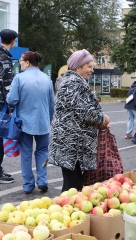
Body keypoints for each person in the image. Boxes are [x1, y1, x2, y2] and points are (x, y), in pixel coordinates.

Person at [48, 49, 110, 192]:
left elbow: (80, 109)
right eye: (89, 66)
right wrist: (103, 118)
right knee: (73, 187)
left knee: (73, 185)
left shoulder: (73, 81)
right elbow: (84, 112)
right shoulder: (73, 83)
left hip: (72, 144)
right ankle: (65, 211)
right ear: (78, 67)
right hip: (72, 145)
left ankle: (66, 210)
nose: (92, 70)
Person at [6, 51, 55, 194]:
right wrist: (49, 118)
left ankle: (28, 184)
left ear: (27, 62)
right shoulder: (47, 79)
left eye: (21, 61)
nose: (19, 63)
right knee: (43, 152)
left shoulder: (19, 78)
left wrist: (8, 96)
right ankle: (42, 180)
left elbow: (12, 99)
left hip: (25, 123)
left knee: (26, 154)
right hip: (44, 123)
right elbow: (52, 104)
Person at [0, 29, 18, 184]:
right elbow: (8, 85)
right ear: (13, 41)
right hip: (1, 101)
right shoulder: (4, 58)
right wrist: (12, 107)